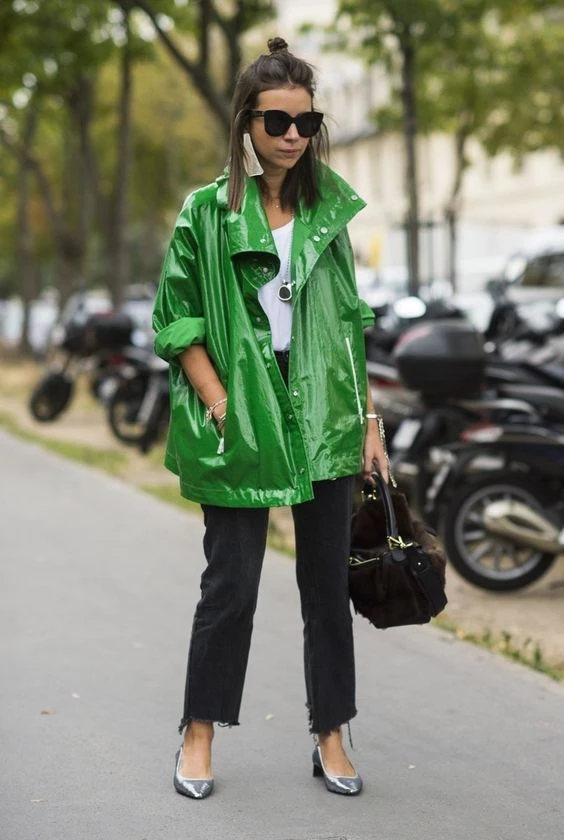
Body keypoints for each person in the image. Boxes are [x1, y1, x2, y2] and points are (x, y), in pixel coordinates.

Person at [152, 37, 389, 800]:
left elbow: (351, 321)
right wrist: (221, 406)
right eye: (278, 121)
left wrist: (368, 421)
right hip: (243, 408)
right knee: (232, 585)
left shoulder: (327, 211)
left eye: (306, 121)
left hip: (320, 405)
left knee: (326, 584)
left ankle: (330, 734)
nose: (294, 135)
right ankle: (197, 733)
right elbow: (177, 320)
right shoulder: (206, 213)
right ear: (245, 124)